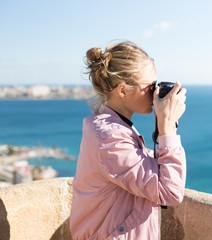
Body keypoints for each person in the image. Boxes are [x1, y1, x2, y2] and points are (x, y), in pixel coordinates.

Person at [70, 41, 187, 240]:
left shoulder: (115, 128)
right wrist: (167, 126)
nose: (156, 92)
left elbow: (153, 173)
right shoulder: (110, 138)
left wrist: (167, 123)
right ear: (123, 90)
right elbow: (169, 191)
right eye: (150, 86)